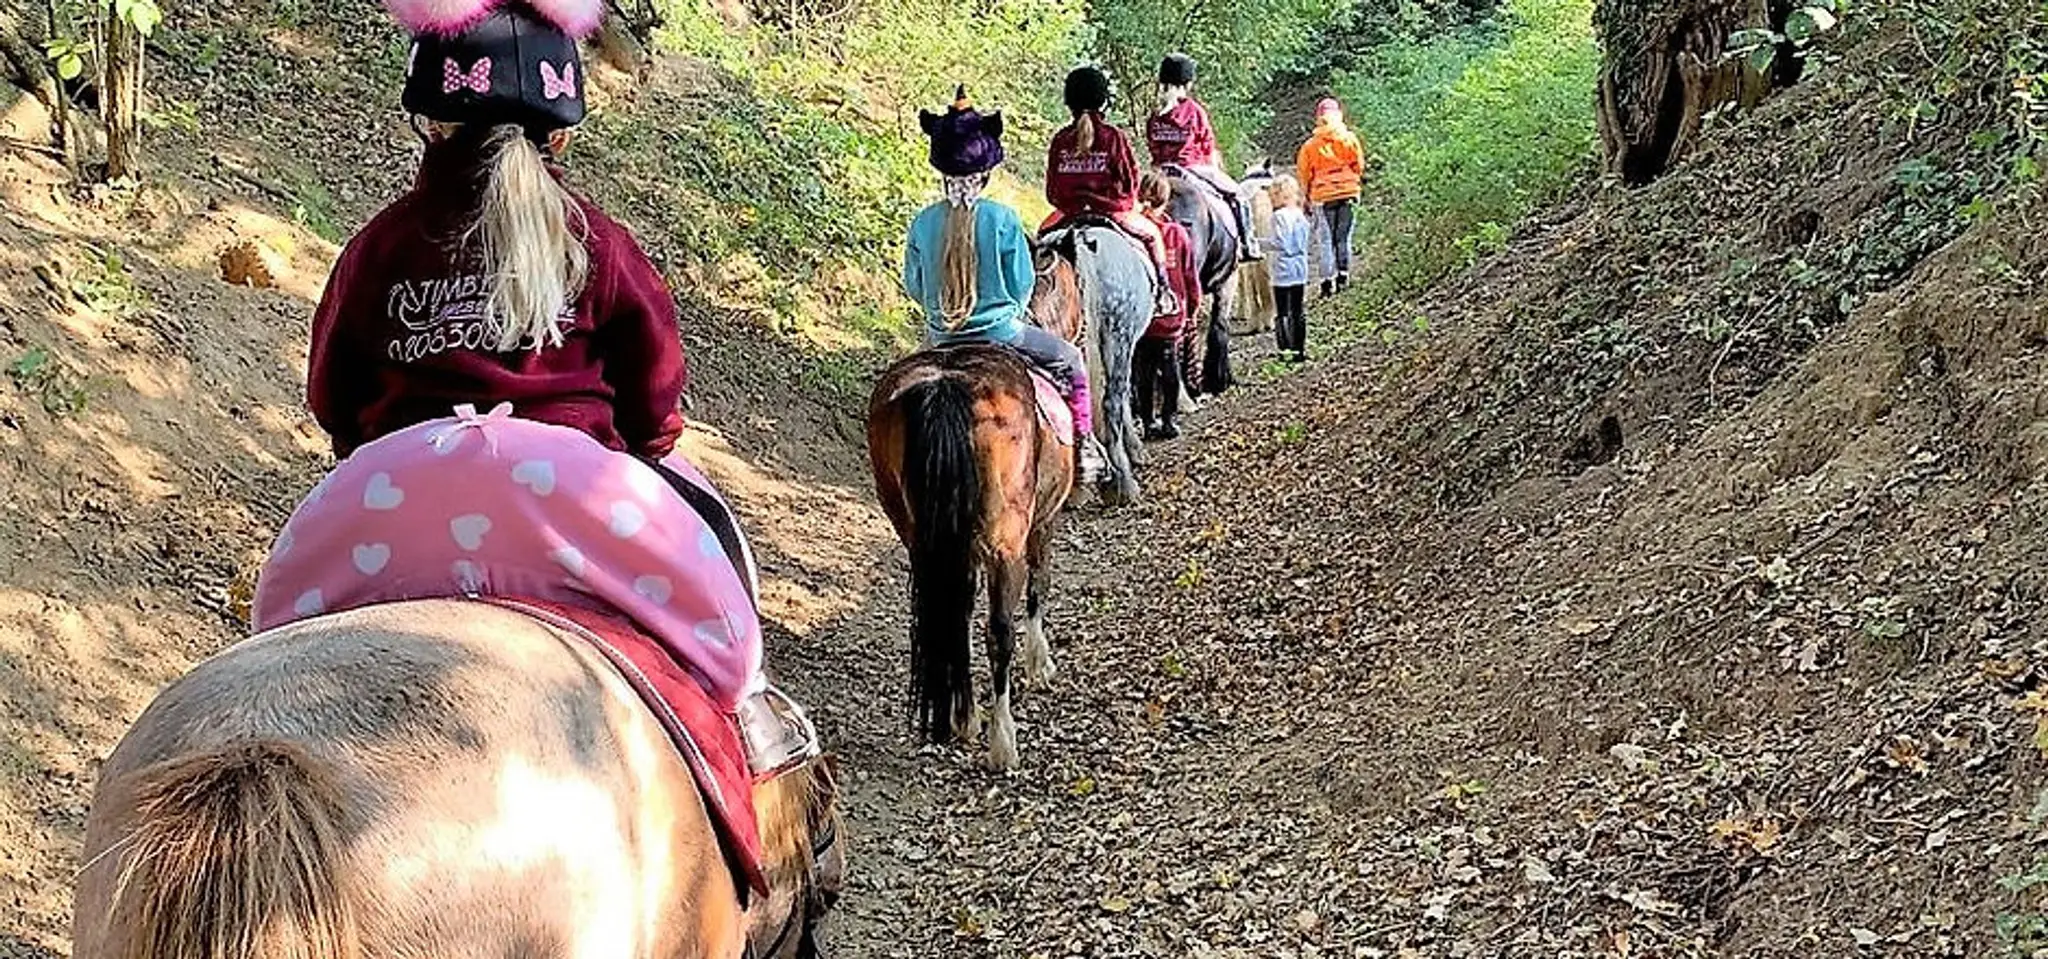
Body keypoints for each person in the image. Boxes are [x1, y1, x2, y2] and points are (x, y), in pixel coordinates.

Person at [275, 0, 813, 776]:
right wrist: (646, 446)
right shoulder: (598, 241)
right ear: (560, 132)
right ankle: (753, 713)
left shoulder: (379, 245)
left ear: (432, 122)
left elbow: (333, 393)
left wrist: (391, 451)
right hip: (580, 498)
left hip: (395, 497)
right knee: (717, 554)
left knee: (276, 627)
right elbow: (657, 401)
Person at [904, 85, 1108, 482]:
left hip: (939, 338)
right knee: (1071, 360)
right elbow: (1022, 285)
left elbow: (914, 285)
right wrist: (1009, 313)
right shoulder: (1002, 219)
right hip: (1003, 334)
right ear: (986, 172)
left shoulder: (923, 222)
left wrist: (940, 313)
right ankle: (1084, 451)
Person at [1042, 65, 1177, 315]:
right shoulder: (1113, 136)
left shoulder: (1061, 139)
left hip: (1068, 213)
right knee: (1153, 237)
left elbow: (1052, 191)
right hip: (1112, 212)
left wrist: (1071, 203)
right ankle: (1163, 293)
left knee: (1041, 240)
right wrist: (1124, 204)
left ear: (1068, 102)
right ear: (1103, 101)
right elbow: (1129, 181)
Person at [1145, 52, 1261, 261]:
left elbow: (1152, 145)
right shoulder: (1194, 111)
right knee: (1238, 197)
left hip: (1160, 172)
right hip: (1193, 168)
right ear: (1188, 83)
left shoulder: (1155, 114)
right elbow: (1207, 144)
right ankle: (1248, 243)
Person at [1135, 172, 1200, 439]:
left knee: (1143, 369)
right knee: (1170, 364)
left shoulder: (1132, 232)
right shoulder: (1177, 234)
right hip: (1171, 313)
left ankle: (1148, 421)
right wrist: (1193, 309)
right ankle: (1169, 419)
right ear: (1167, 200)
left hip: (1142, 315)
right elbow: (1190, 276)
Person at [1296, 96, 1365, 296]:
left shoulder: (1310, 146)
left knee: (1325, 241)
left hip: (1322, 195)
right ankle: (1343, 277)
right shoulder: (1350, 139)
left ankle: (1327, 283)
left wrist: (1306, 198)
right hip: (1349, 193)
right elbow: (1359, 166)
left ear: (1318, 118)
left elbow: (1304, 174)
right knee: (1344, 239)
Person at [1268, 174, 1312, 362]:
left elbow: (1280, 242)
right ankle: (1299, 349)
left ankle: (1285, 350)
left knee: (1283, 311)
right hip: (1300, 266)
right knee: (1298, 309)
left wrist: (1257, 244)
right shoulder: (1300, 216)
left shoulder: (1278, 217)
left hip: (1283, 267)